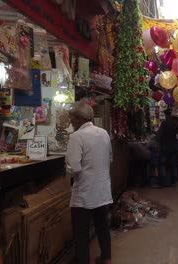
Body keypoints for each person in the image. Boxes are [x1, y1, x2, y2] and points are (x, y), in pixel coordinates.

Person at [66, 101, 113, 264]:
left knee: (81, 233)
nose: (70, 121)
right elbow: (110, 158)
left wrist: (68, 168)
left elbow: (75, 168)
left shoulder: (76, 136)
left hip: (84, 193)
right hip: (102, 190)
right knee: (102, 226)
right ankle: (106, 257)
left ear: (78, 119)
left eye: (71, 117)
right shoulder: (104, 133)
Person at [158, 109, 178, 187]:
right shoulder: (175, 124)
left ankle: (164, 182)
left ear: (166, 115)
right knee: (172, 165)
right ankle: (173, 182)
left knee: (163, 164)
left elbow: (160, 135)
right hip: (173, 146)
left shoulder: (164, 123)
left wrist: (159, 143)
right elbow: (176, 133)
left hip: (165, 147)